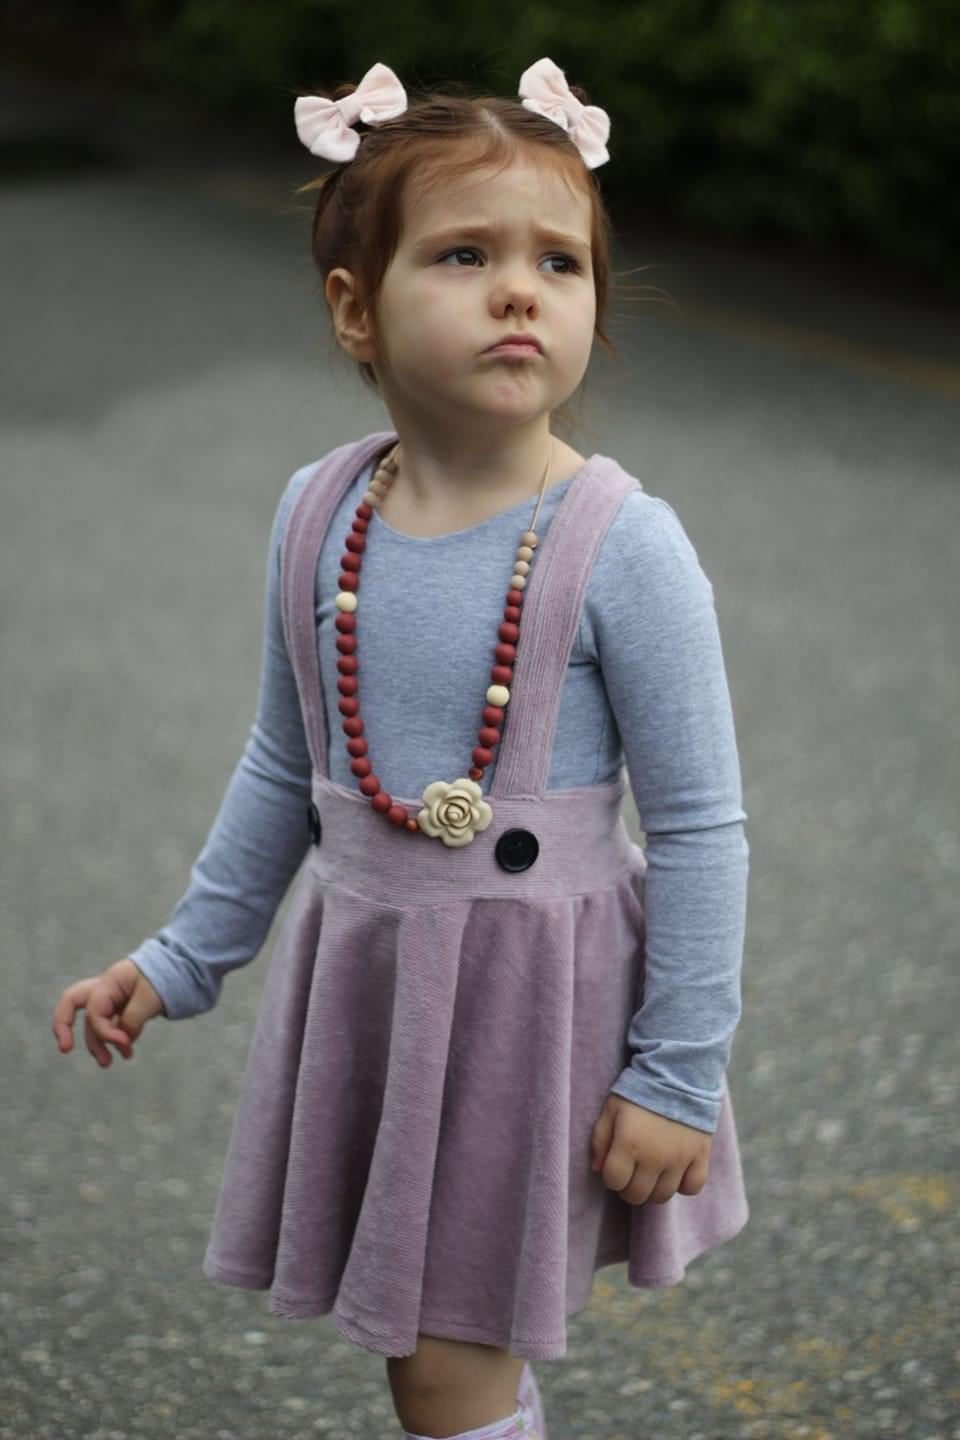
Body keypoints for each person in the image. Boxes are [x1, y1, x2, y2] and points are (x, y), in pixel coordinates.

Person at [51, 56, 751, 1440]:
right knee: (442, 1352)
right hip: (382, 991)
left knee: (444, 1364)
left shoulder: (624, 546)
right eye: (465, 254)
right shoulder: (320, 515)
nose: (519, 290)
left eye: (560, 260)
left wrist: (674, 1075)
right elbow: (283, 767)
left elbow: (703, 829)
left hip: (531, 1013)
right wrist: (184, 956)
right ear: (356, 309)